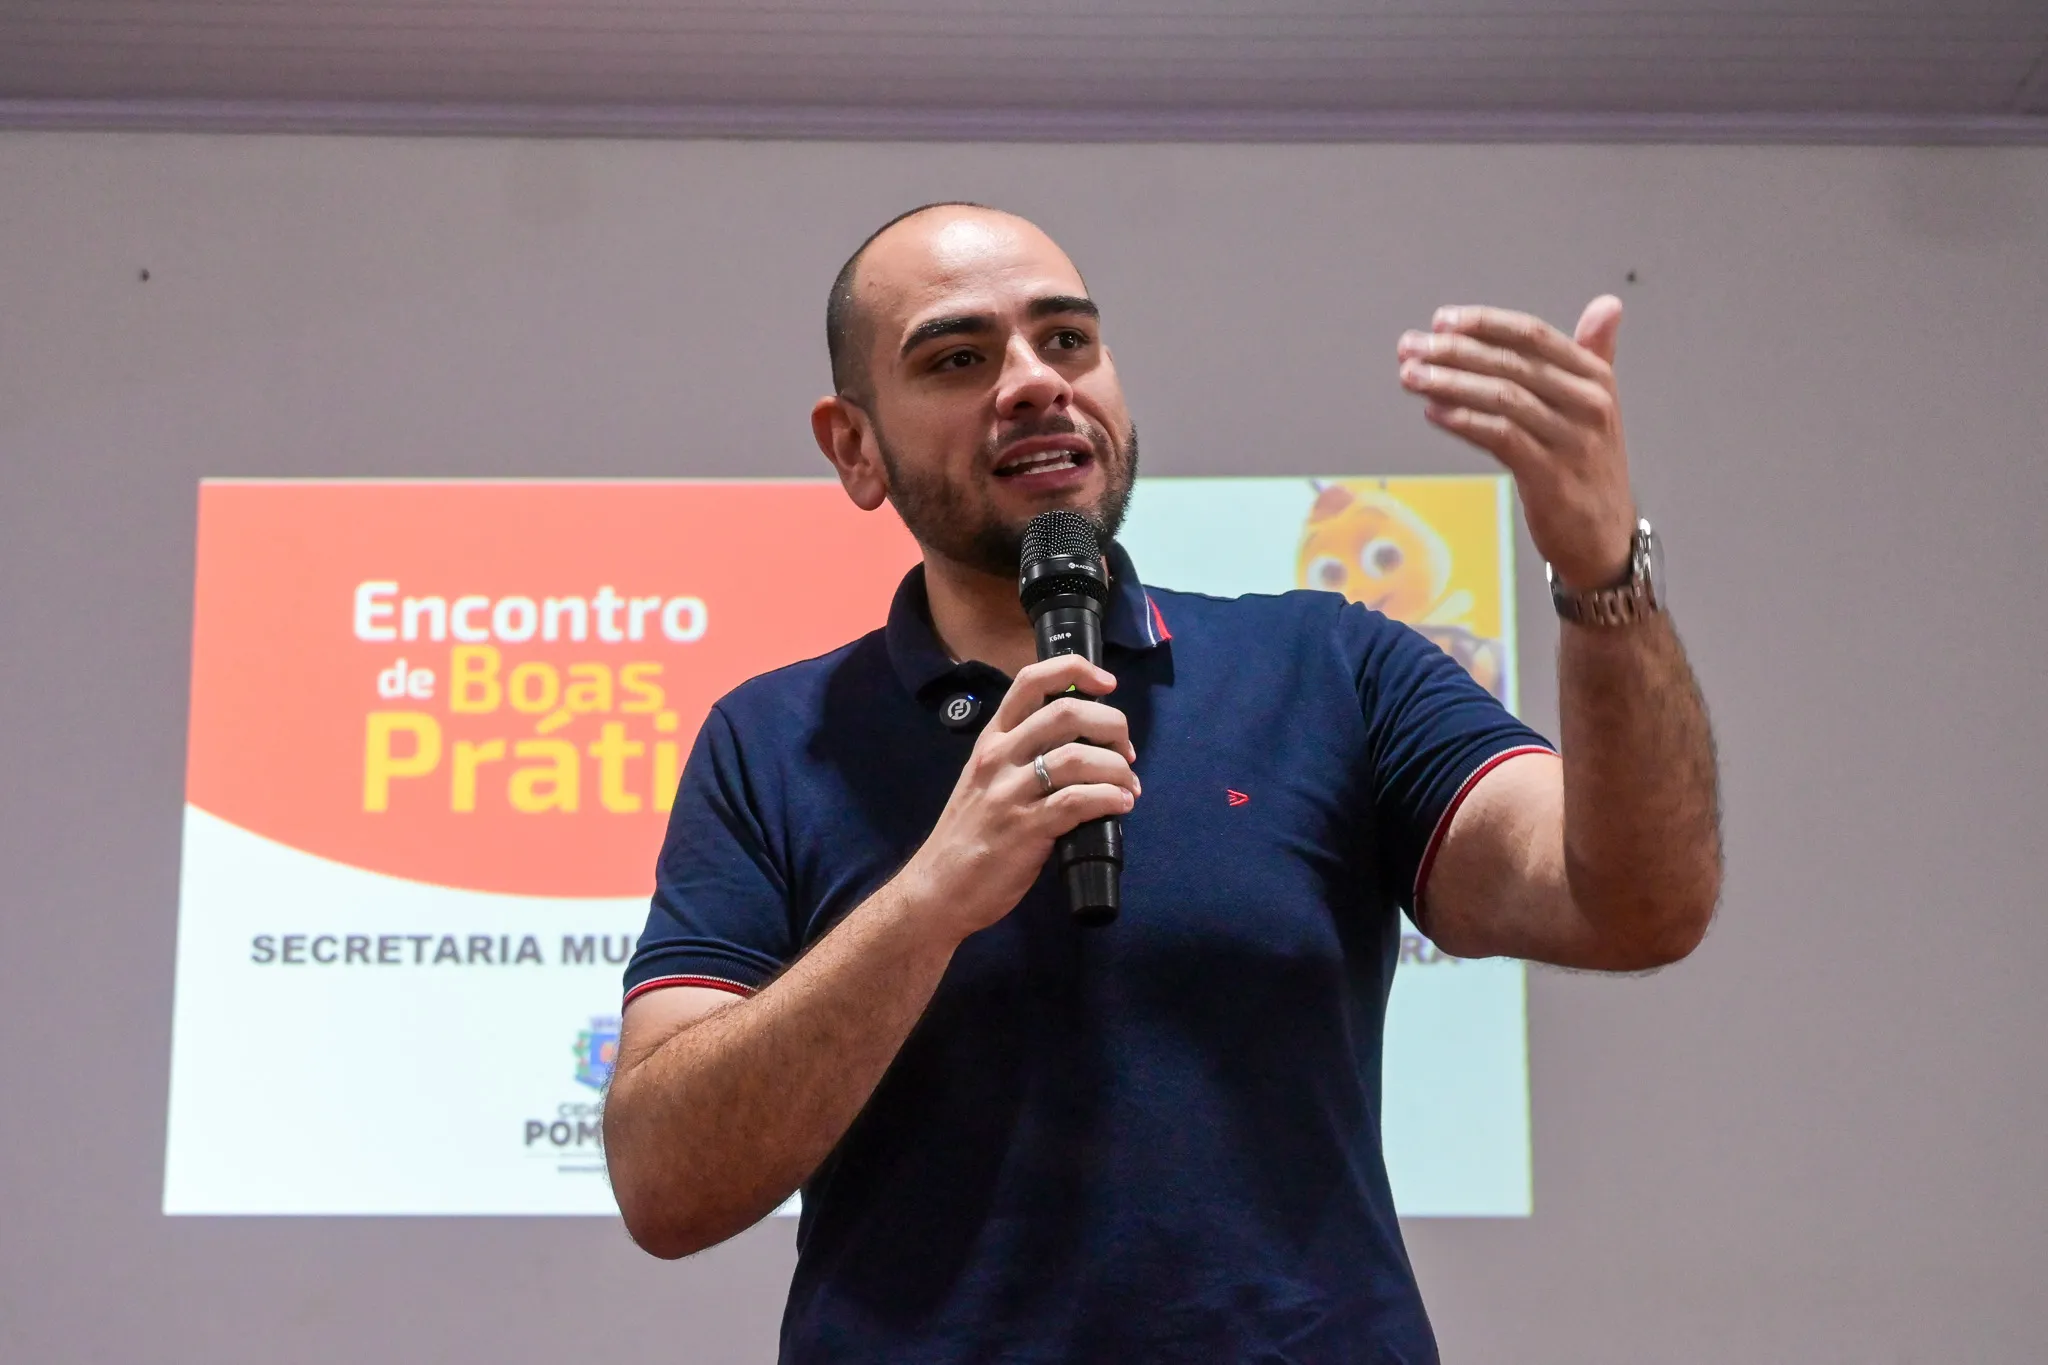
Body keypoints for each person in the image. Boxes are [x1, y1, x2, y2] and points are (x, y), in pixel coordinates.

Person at [603, 202, 1721, 1363]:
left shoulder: (1328, 668)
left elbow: (1634, 905)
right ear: (854, 448)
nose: (1034, 383)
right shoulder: (774, 741)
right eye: (957, 359)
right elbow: (667, 1186)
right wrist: (928, 901)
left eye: (1066, 339)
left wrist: (1601, 574)